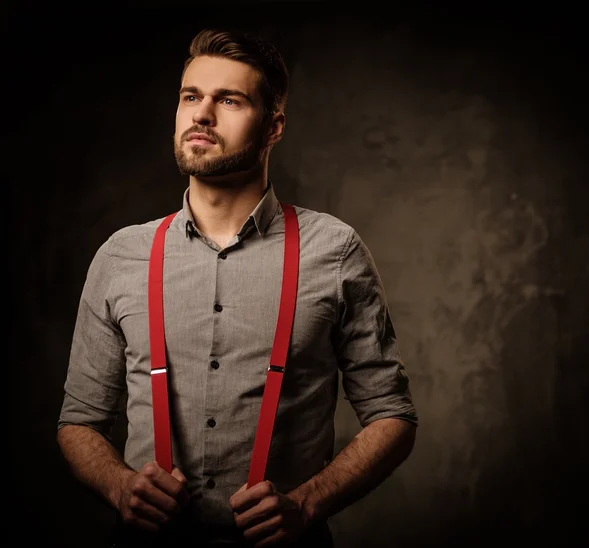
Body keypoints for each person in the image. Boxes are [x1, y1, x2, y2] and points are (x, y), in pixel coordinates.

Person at [57, 28, 418, 548]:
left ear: (273, 127)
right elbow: (78, 422)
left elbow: (392, 415)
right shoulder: (121, 256)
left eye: (229, 100)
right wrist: (118, 487)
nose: (202, 114)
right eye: (190, 97)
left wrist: (307, 503)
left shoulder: (334, 251)